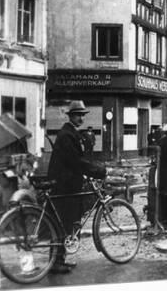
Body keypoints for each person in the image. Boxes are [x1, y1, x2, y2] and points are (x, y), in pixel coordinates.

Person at [47, 100, 111, 273]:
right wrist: (98, 171)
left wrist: (87, 171)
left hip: (68, 182)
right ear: (71, 116)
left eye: (83, 115)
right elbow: (75, 161)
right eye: (78, 115)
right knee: (63, 222)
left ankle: (59, 259)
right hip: (64, 184)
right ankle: (56, 262)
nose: (81, 118)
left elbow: (76, 161)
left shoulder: (70, 132)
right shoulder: (67, 135)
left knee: (66, 223)